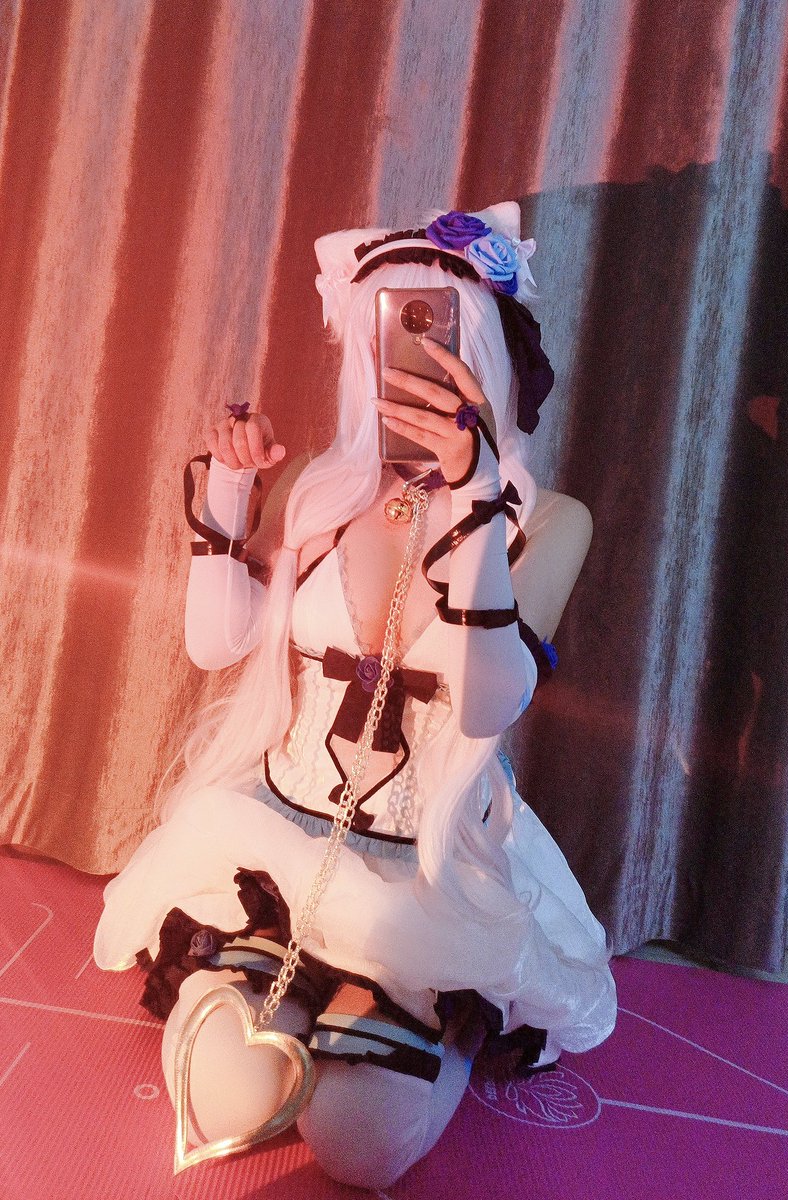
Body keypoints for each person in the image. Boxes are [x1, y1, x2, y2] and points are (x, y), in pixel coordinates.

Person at [93, 201, 616, 1190]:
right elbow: (216, 644)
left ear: (487, 348)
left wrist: (475, 498)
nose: (405, 362)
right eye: (386, 332)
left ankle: (402, 1018)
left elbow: (486, 705)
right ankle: (280, 987)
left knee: (358, 1141)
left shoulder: (547, 520)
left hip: (424, 872)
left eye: (438, 332)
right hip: (274, 836)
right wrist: (228, 498)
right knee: (227, 1094)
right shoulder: (319, 489)